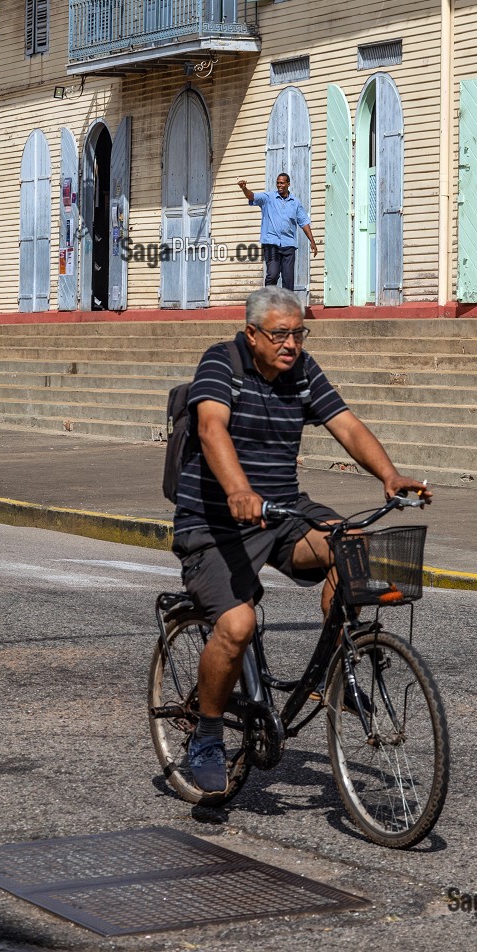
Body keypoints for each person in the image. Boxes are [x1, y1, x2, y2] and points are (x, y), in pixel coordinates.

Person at [172, 285, 431, 794]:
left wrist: (389, 475)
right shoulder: (221, 364)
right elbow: (210, 429)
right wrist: (239, 490)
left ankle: (341, 665)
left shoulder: (304, 372)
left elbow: (346, 424)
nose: (291, 344)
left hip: (283, 513)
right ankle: (205, 736)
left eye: (298, 333)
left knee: (352, 545)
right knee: (238, 623)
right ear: (252, 334)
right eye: (280, 334)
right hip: (215, 522)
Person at [237, 172, 317, 291]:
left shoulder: (295, 203)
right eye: (278, 183)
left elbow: (304, 222)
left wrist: (312, 241)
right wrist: (244, 189)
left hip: (288, 244)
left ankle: (287, 307)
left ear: (288, 184)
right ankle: (269, 301)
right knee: (273, 275)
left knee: (288, 279)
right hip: (271, 243)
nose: (279, 185)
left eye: (282, 183)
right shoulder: (268, 198)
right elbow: (252, 196)